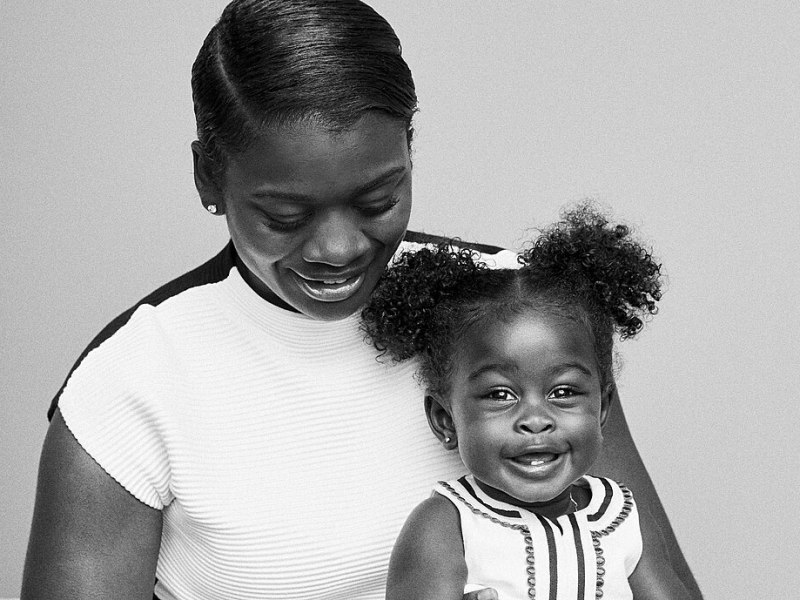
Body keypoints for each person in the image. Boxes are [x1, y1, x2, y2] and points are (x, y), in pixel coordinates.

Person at [20, 1, 701, 599]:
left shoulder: (517, 311)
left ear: (408, 148)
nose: (340, 248)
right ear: (208, 175)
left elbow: (646, 568)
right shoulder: (129, 384)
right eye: (285, 215)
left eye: (378, 199)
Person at [362, 205, 692, 600]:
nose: (536, 420)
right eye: (500, 395)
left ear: (603, 409)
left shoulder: (620, 515)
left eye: (563, 392)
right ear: (445, 419)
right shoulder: (447, 526)